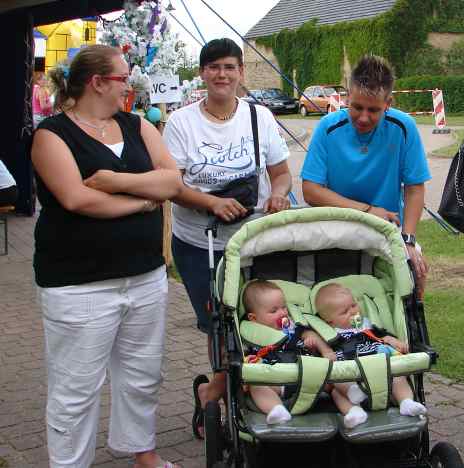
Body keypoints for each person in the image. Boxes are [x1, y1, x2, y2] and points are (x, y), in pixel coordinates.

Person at [31, 44, 182, 468]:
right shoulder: (52, 135)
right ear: (97, 83)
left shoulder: (136, 126)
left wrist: (115, 182)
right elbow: (78, 199)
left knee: (142, 375)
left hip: (145, 276)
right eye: (123, 79)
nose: (129, 87)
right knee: (76, 388)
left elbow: (172, 181)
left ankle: (142, 452)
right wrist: (144, 200)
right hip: (79, 285)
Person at [163, 38, 292, 439]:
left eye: (229, 67)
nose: (222, 74)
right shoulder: (181, 123)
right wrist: (211, 203)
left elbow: (281, 173)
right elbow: (172, 186)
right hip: (199, 242)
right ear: (202, 73)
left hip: (252, 240)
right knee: (217, 324)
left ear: (241, 72)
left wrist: (279, 195)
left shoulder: (259, 117)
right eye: (214, 67)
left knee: (259, 319)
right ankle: (223, 393)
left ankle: (217, 390)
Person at [301, 55, 431, 297]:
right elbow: (310, 190)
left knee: (417, 272)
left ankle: (412, 321)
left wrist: (409, 240)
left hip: (386, 227)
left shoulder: (404, 127)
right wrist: (367, 210)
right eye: (357, 107)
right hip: (338, 223)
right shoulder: (328, 127)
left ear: (388, 103)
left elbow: (414, 188)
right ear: (347, 97)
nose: (363, 117)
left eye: (373, 110)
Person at [314, 283, 427, 427]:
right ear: (329, 321)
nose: (353, 312)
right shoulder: (328, 334)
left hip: (381, 370)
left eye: (353, 305)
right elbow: (325, 357)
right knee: (336, 390)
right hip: (350, 376)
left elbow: (383, 336)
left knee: (398, 376)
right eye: (344, 312)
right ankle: (354, 412)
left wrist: (392, 340)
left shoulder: (367, 325)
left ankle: (406, 402)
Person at [242, 280, 331, 425]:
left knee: (333, 378)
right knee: (256, 385)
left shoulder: (293, 327)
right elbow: (247, 358)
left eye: (284, 307)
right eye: (274, 311)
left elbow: (311, 335)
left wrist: (323, 349)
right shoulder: (252, 335)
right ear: (254, 318)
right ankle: (276, 409)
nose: (283, 313)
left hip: (309, 374)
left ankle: (351, 399)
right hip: (277, 381)